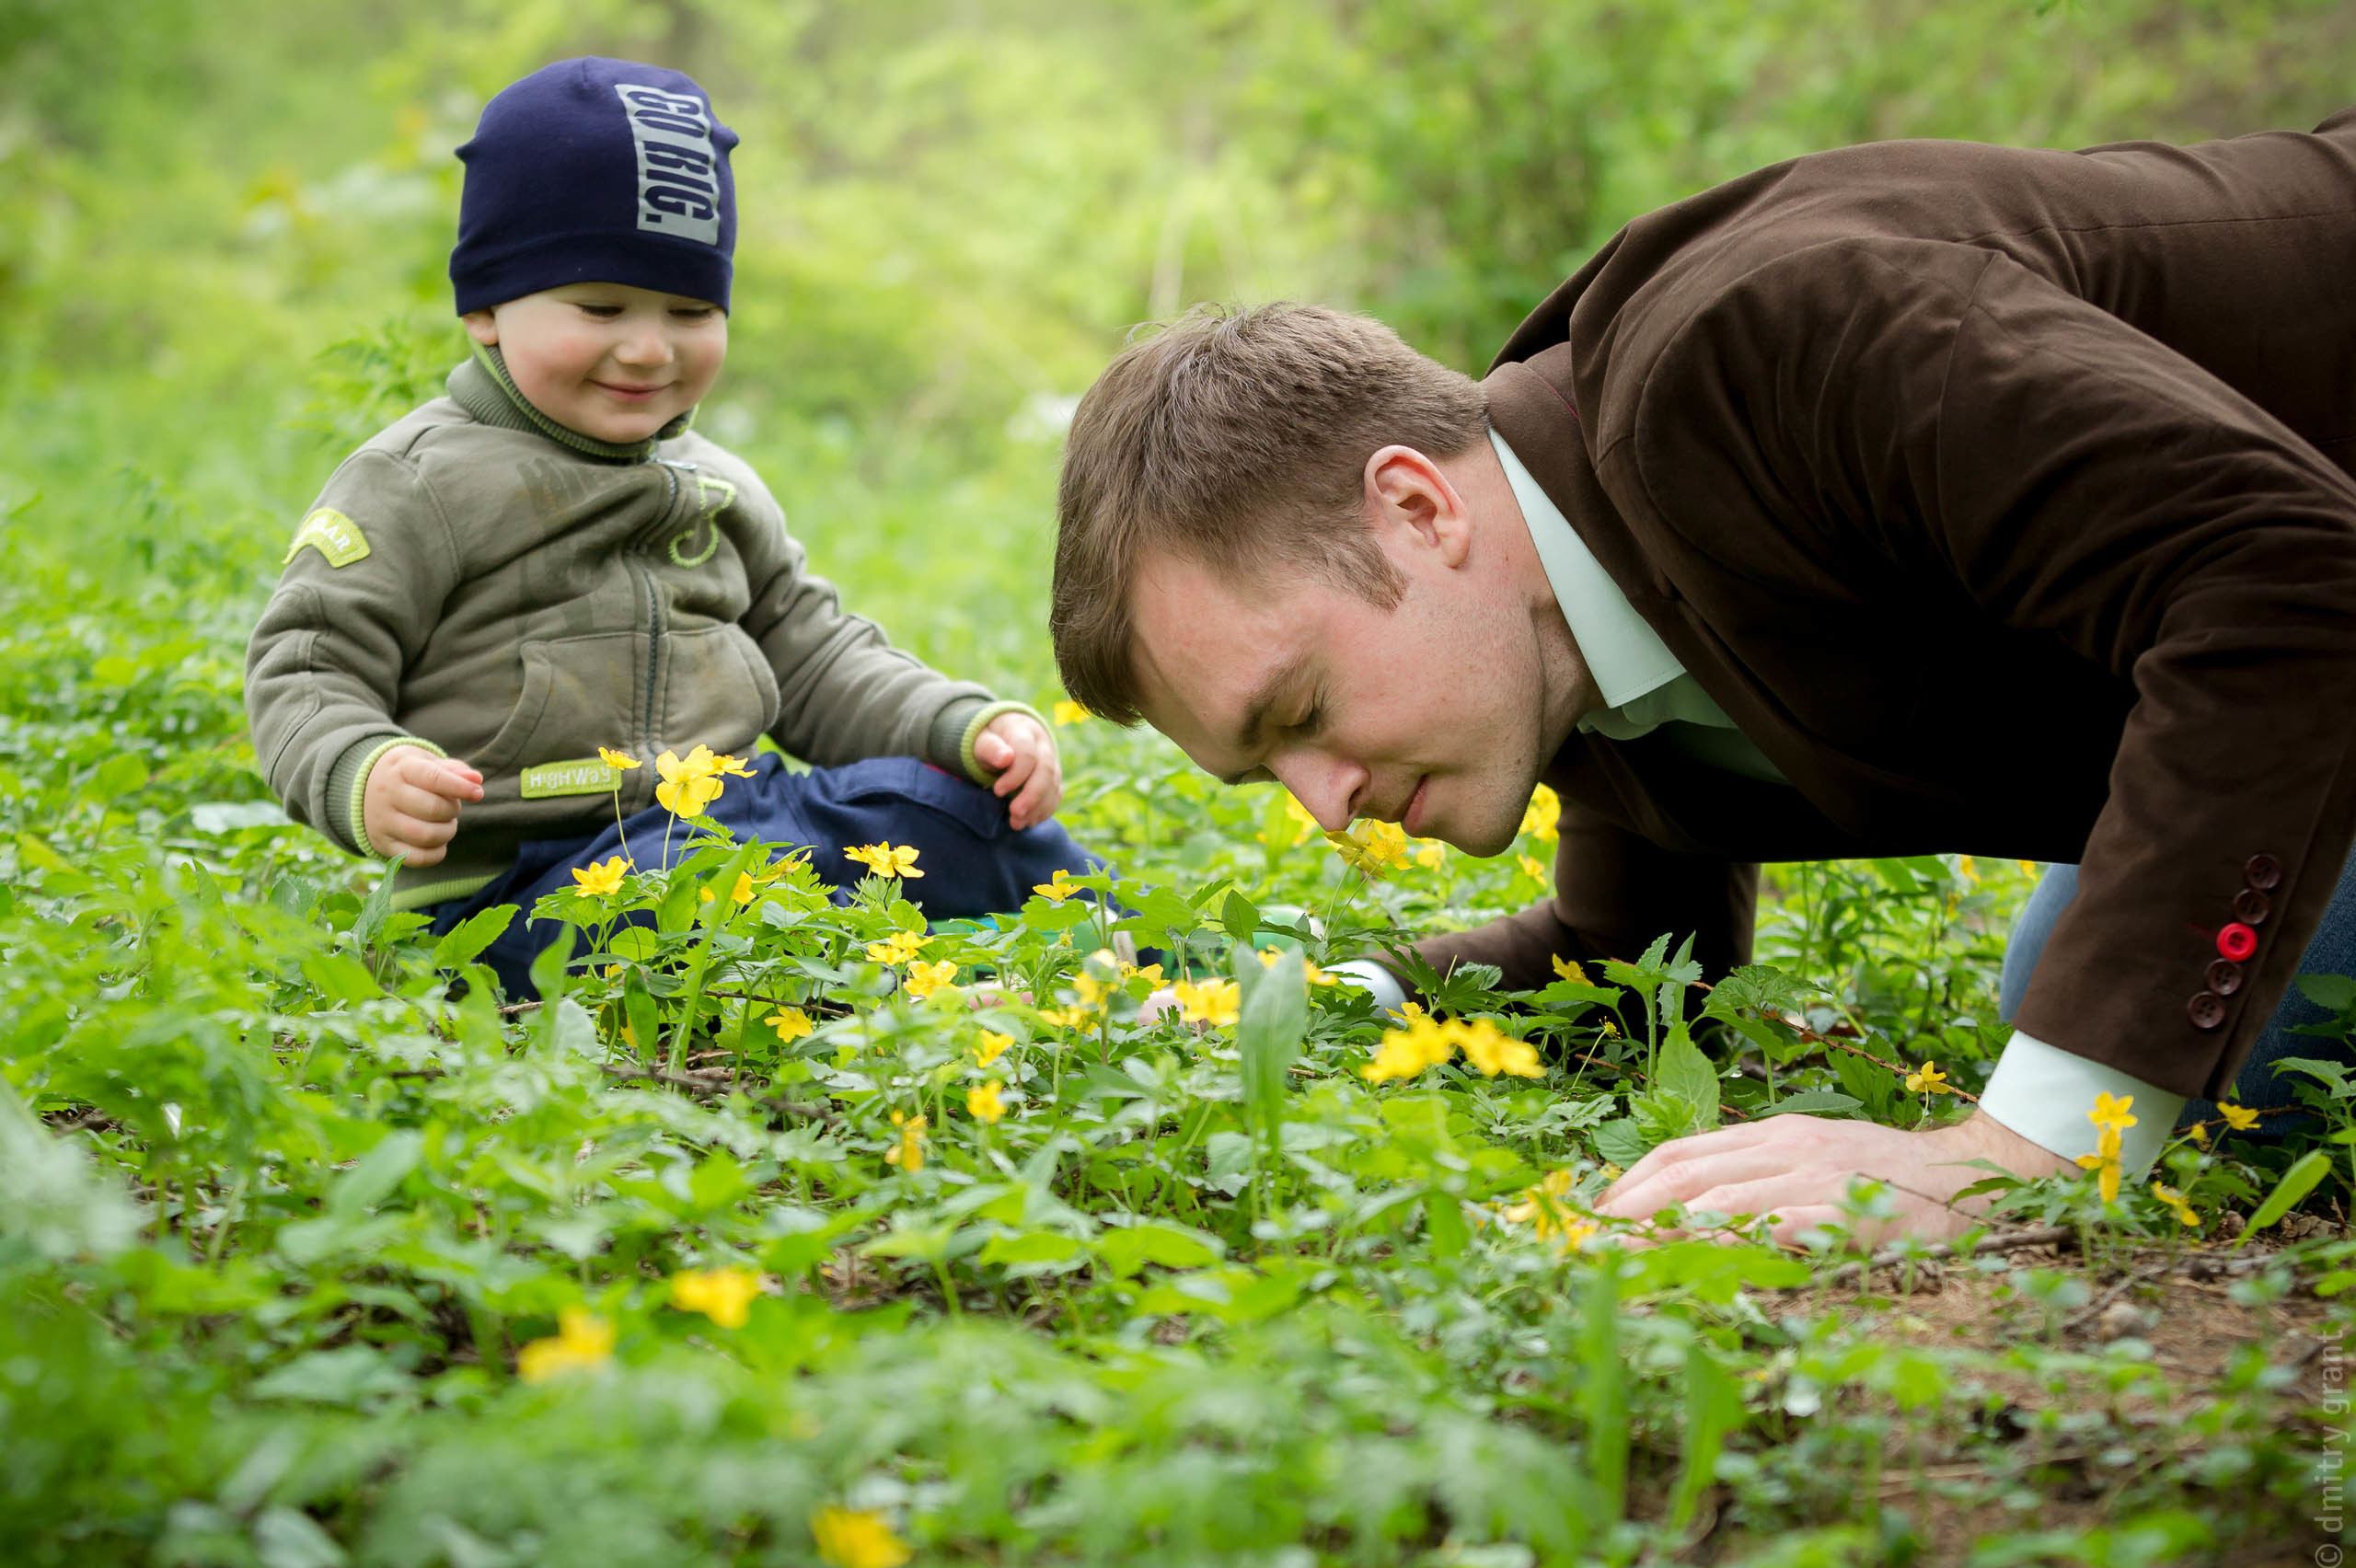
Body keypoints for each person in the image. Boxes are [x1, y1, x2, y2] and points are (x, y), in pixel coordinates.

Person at [1049, 108, 2356, 1245]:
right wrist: (1318, 1001)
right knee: (2106, 995)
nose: (1323, 805)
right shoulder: (1562, 641)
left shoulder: (1763, 353)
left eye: (1302, 712)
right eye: (1262, 766)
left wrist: (2023, 1151)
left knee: (2177, 1043)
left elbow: (2294, 582)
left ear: (1415, 508)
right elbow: (1624, 959)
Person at [247, 57, 1093, 1000]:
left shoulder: (718, 485)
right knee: (669, 912)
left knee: (958, 813)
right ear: (485, 308)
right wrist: (367, 771)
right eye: (600, 307)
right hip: (526, 880)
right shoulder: (416, 484)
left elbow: (813, 657)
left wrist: (959, 724)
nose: (649, 348)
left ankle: (1124, 959)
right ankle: (887, 999)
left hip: (735, 815)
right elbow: (308, 666)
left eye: (690, 311)